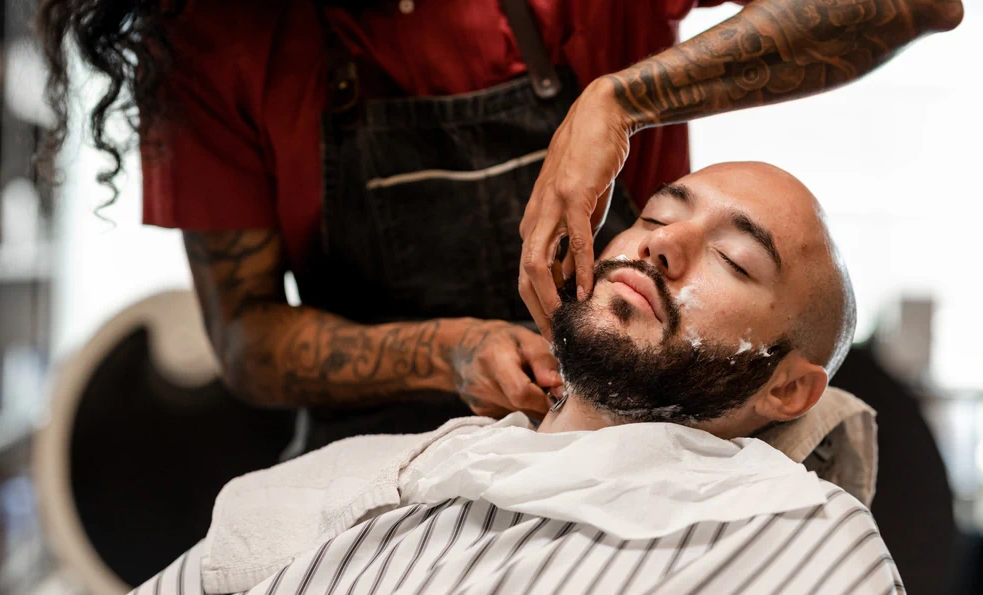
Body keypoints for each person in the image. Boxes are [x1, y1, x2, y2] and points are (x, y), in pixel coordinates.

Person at [32, 0, 962, 452]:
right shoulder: (207, 21)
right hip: (374, 468)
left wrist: (626, 99)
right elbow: (243, 336)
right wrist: (451, 351)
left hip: (643, 442)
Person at [132, 161, 900, 595]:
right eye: (658, 214)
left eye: (735, 260)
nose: (662, 247)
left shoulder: (797, 538)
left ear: (789, 391)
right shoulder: (393, 476)